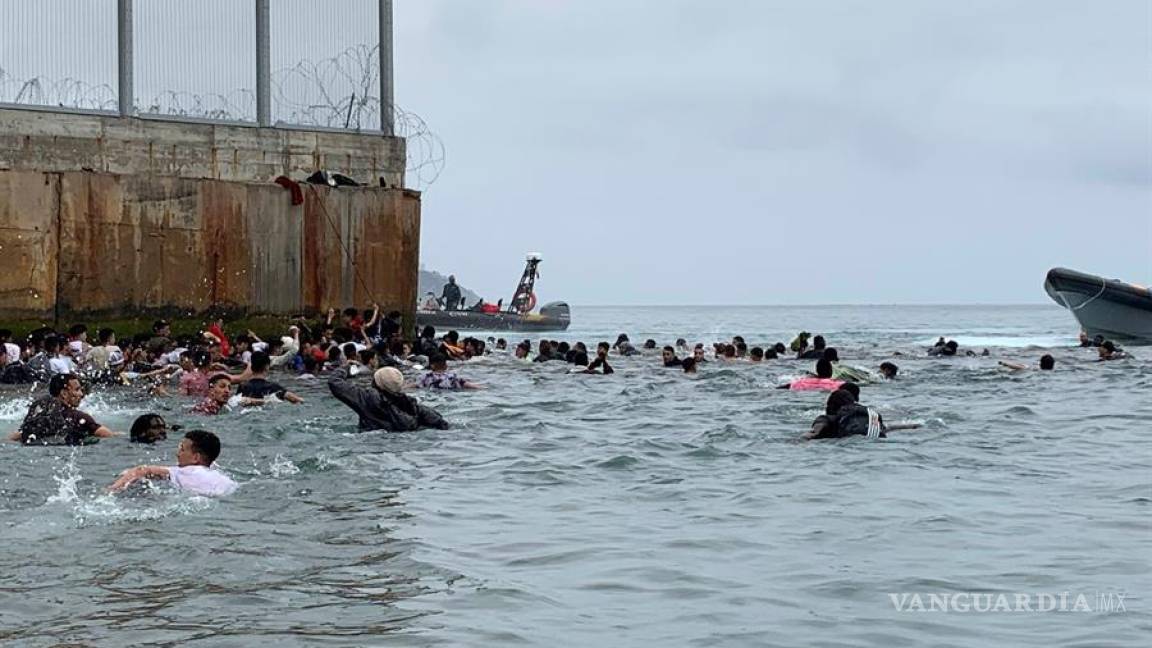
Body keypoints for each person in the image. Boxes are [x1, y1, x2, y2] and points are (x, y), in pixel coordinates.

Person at [109, 430, 237, 497]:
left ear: (196, 458)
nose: (177, 454)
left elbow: (142, 470)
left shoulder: (183, 472)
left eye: (182, 449)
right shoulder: (224, 479)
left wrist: (111, 490)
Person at [328, 365, 450, 432]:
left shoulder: (367, 398)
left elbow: (334, 382)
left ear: (376, 383)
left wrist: (346, 367)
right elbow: (441, 423)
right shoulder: (411, 405)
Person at [10, 373, 118, 445]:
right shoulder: (79, 417)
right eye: (77, 390)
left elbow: (17, 436)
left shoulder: (39, 415)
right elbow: (107, 435)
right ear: (64, 393)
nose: (81, 394)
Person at [803, 389, 920, 440]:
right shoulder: (873, 414)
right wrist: (913, 426)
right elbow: (888, 428)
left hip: (850, 444)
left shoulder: (835, 416)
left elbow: (822, 423)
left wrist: (812, 434)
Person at [237, 352, 303, 403]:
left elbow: (236, 401)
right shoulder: (273, 387)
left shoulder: (243, 386)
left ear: (251, 367)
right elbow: (295, 399)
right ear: (267, 367)